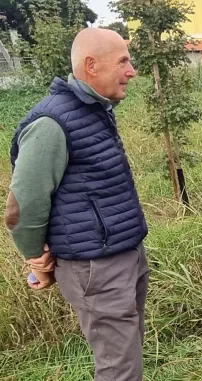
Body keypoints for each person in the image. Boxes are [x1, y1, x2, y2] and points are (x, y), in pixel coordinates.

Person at [4, 28, 149, 380]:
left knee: (126, 355)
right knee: (119, 368)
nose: (132, 71)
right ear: (92, 66)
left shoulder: (95, 109)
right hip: (95, 266)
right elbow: (23, 204)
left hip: (121, 252)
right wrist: (38, 261)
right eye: (123, 62)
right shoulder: (51, 123)